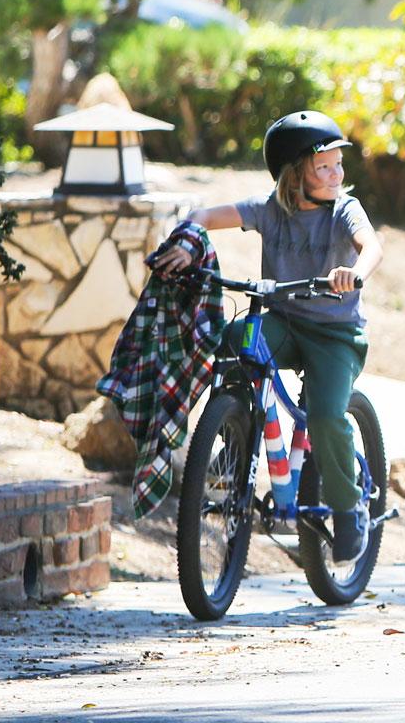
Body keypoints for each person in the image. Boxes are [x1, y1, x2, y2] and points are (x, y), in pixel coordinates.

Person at [152, 110, 384, 562]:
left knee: (325, 416)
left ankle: (347, 508)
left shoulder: (345, 210)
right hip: (284, 322)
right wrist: (185, 240)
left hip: (335, 334)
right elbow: (201, 215)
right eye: (324, 166)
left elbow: (371, 246)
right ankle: (233, 433)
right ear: (296, 174)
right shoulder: (269, 210)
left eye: (339, 164)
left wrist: (353, 274)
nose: (337, 173)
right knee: (230, 340)